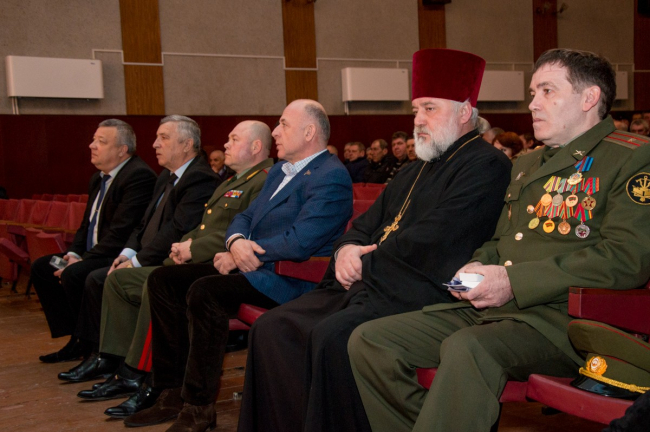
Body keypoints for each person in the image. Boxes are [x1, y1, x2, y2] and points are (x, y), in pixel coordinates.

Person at [349, 48, 650, 432]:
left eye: (547, 91)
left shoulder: (631, 158)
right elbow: (504, 238)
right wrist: (477, 266)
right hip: (498, 312)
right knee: (371, 341)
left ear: (589, 98)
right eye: (533, 92)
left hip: (565, 323)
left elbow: (625, 258)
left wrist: (513, 281)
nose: (533, 103)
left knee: (468, 347)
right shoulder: (528, 163)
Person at [237, 48, 512, 432]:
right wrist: (347, 250)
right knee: (273, 328)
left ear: (465, 112)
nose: (418, 120)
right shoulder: (413, 171)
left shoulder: (487, 165)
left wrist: (363, 263)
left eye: (429, 109)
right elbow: (364, 225)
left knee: (331, 336)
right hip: (371, 281)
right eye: (415, 110)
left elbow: (437, 237)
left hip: (418, 290)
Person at [123, 99, 353, 431]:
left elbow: (301, 240)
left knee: (206, 292)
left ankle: (198, 407)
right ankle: (171, 391)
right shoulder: (280, 171)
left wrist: (244, 253)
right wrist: (234, 242)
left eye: (283, 124)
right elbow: (243, 216)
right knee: (164, 280)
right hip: (256, 267)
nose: (275, 132)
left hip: (290, 278)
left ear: (309, 132)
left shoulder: (331, 176)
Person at [71, 121, 275, 417]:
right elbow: (202, 226)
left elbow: (245, 232)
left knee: (158, 282)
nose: (225, 144)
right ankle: (117, 361)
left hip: (221, 266)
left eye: (234, 139)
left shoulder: (264, 180)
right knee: (119, 281)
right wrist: (185, 243)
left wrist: (193, 248)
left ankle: (143, 375)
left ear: (256, 147)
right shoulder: (233, 180)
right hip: (200, 259)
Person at [57, 115, 218, 380]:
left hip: (169, 260)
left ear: (187, 144)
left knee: (101, 278)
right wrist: (127, 254)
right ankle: (107, 355)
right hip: (148, 254)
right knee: (101, 277)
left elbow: (176, 230)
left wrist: (137, 262)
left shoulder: (200, 178)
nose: (154, 144)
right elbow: (143, 224)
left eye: (163, 138)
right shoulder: (166, 176)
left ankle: (116, 360)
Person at [31, 119, 156, 363]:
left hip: (116, 254)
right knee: (42, 268)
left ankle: (92, 344)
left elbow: (120, 233)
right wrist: (74, 254)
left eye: (101, 141)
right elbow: (85, 226)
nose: (92, 145)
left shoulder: (138, 176)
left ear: (122, 150)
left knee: (75, 274)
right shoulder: (99, 178)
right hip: (93, 253)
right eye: (93, 140)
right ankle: (76, 337)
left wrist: (82, 261)